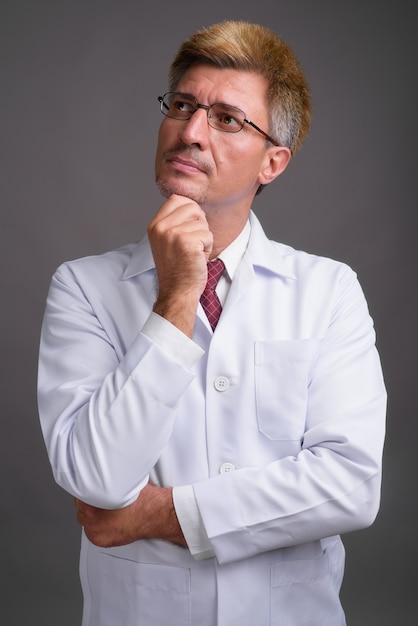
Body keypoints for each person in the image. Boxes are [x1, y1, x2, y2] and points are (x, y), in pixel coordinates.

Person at [37, 20, 386, 626]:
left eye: (227, 119)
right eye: (182, 106)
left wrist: (159, 514)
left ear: (272, 162)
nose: (191, 132)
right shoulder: (83, 288)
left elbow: (350, 484)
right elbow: (95, 477)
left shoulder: (329, 291)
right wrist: (174, 301)